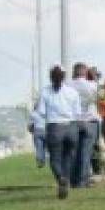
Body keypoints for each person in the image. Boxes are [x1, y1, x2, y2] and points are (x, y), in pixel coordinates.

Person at [33, 66, 82, 200]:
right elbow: (78, 113)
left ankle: (61, 178)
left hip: (54, 127)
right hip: (71, 127)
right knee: (68, 157)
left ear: (50, 76)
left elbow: (41, 112)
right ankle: (65, 180)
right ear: (64, 76)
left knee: (55, 158)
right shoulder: (72, 92)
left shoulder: (45, 92)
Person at [70, 63, 99, 187]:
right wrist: (94, 78)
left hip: (74, 121)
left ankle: (74, 180)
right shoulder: (91, 85)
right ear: (84, 72)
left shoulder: (67, 85)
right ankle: (83, 180)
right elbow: (100, 96)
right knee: (86, 152)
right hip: (90, 121)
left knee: (74, 152)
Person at [29, 102, 47, 168]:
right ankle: (44, 160)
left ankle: (40, 160)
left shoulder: (33, 114)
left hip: (37, 131)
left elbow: (30, 125)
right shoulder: (45, 114)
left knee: (38, 147)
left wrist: (31, 131)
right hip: (45, 131)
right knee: (44, 147)